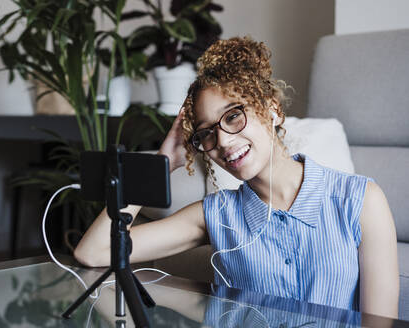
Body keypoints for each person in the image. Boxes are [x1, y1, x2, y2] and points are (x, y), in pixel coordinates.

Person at [74, 36, 399, 318]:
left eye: (233, 116)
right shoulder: (216, 214)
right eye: (206, 134)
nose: (224, 142)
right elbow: (94, 252)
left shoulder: (360, 200)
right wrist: (160, 163)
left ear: (272, 110)